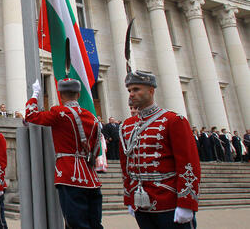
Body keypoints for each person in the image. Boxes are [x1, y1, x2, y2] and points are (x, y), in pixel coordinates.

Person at [120, 70, 200, 228]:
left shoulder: (173, 120)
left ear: (151, 90)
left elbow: (188, 163)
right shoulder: (126, 126)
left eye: (136, 89)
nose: (131, 94)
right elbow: (126, 166)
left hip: (168, 200)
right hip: (140, 201)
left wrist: (187, 202)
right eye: (129, 90)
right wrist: (129, 197)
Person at [25, 78, 103, 229]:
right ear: (78, 95)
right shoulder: (91, 117)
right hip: (91, 177)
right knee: (94, 223)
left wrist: (34, 95)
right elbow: (95, 149)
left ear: (60, 95)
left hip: (68, 174)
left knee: (75, 222)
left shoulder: (59, 112)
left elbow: (31, 115)